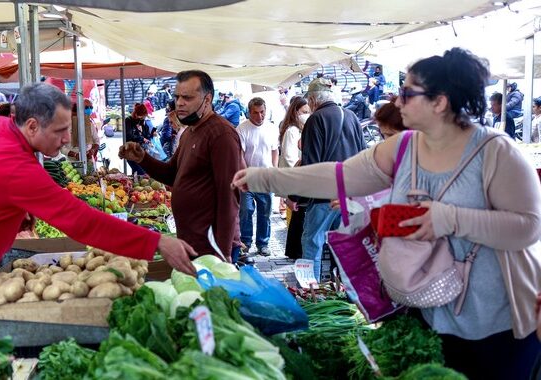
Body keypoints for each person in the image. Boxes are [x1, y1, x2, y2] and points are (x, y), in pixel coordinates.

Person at [232, 48, 541, 379]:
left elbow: (528, 226)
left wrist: (448, 218)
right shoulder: (404, 146)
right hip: (429, 315)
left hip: (499, 322)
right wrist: (266, 177)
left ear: (440, 102)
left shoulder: (495, 152)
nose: (397, 101)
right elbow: (340, 176)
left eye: (407, 93)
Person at [0, 83, 197, 319]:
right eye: (60, 131)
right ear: (33, 125)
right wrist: (155, 241)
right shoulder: (16, 167)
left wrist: (5, 207)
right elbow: (82, 222)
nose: (67, 139)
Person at [119, 70, 243, 262]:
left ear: (207, 99)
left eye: (187, 97)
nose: (179, 103)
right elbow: (172, 175)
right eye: (177, 97)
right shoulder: (189, 133)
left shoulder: (221, 135)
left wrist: (223, 252)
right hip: (191, 241)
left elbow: (229, 196)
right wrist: (142, 158)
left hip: (212, 248)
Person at [299, 77, 366, 280]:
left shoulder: (315, 119)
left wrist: (298, 196)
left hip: (323, 196)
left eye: (309, 101)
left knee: (312, 243)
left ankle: (311, 290)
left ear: (313, 100)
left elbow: (311, 163)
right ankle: (348, 292)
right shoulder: (352, 116)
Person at [237, 97, 278, 257]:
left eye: (262, 112)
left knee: (265, 212)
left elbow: (275, 150)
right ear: (249, 112)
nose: (260, 116)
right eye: (256, 113)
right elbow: (240, 155)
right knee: (246, 210)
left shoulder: (272, 128)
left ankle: (263, 243)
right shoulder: (242, 129)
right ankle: (246, 241)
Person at [278, 96, 311, 258]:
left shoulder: (298, 129)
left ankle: (294, 251)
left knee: (296, 218)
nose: (307, 114)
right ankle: (294, 251)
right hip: (296, 181)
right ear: (296, 111)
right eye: (304, 111)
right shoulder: (292, 131)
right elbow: (290, 158)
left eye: (309, 111)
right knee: (296, 218)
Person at [124, 103, 153, 174]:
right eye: (142, 116)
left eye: (144, 117)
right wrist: (142, 138)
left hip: (142, 151)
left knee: (137, 174)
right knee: (140, 172)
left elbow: (147, 134)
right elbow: (129, 136)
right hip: (131, 151)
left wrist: (150, 134)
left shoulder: (142, 121)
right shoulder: (128, 121)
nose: (143, 118)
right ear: (136, 114)